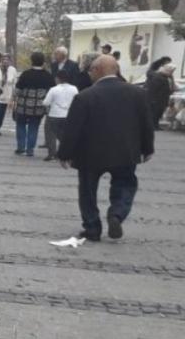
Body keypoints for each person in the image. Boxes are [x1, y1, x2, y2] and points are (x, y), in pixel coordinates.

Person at [57, 55, 155, 241]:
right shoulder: (137, 93)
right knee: (125, 185)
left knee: (87, 191)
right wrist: (147, 148)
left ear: (97, 70)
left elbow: (72, 128)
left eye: (91, 70)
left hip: (90, 154)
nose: (89, 74)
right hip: (125, 151)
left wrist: (65, 153)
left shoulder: (85, 96)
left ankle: (92, 228)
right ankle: (117, 213)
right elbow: (146, 123)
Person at [12, 52, 56, 156]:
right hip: (39, 107)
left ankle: (21, 147)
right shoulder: (48, 76)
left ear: (32, 61)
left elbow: (17, 91)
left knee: (21, 125)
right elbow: (51, 92)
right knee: (34, 127)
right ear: (43, 62)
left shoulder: (25, 74)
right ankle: (30, 149)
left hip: (23, 107)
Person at [42, 70, 78, 161]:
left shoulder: (54, 89)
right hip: (68, 115)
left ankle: (52, 154)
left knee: (51, 135)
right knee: (64, 135)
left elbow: (46, 102)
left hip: (54, 114)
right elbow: (77, 101)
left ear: (58, 79)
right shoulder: (74, 89)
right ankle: (65, 153)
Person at [146, 56, 177, 130]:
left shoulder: (166, 77)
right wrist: (152, 99)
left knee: (159, 112)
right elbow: (153, 89)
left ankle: (156, 125)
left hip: (162, 97)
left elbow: (171, 86)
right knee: (155, 112)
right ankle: (153, 125)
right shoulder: (158, 76)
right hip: (157, 98)